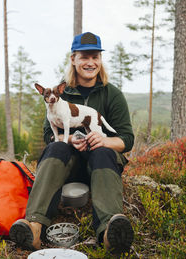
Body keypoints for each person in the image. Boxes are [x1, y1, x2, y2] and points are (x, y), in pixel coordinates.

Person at [9, 32, 134, 253]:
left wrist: (104, 140)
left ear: (100, 60)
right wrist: (70, 139)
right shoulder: (58, 92)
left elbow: (126, 139)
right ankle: (34, 227)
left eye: (95, 57)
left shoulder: (112, 94)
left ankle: (109, 233)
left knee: (102, 151)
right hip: (67, 166)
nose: (90, 62)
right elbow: (49, 133)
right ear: (73, 59)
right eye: (84, 57)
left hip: (100, 164)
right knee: (56, 146)